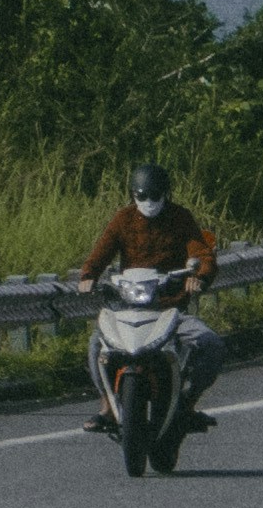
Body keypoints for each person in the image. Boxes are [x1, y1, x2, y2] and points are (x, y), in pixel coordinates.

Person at [75, 160, 225, 440]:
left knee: (210, 344)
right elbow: (100, 253)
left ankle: (187, 403)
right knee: (97, 344)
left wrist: (200, 277)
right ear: (132, 194)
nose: (148, 202)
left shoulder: (180, 218)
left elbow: (203, 255)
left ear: (166, 194)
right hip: (127, 308)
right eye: (142, 195)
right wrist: (88, 276)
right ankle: (107, 407)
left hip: (171, 308)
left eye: (155, 195)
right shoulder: (123, 219)